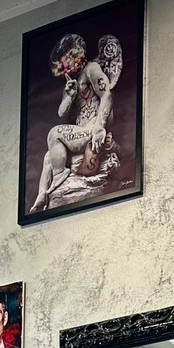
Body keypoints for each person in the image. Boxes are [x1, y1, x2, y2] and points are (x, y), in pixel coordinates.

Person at [29, 33, 121, 214]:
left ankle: (60, 176)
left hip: (92, 128)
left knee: (54, 134)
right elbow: (61, 113)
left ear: (78, 54)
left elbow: (107, 95)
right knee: (49, 157)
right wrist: (70, 96)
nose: (67, 67)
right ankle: (43, 194)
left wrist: (99, 127)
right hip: (81, 132)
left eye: (68, 61)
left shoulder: (91, 69)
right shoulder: (71, 82)